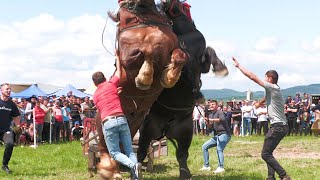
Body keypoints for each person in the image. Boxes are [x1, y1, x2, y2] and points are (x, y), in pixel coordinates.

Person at [232, 57, 291, 180]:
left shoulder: (271, 87)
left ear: (270, 79)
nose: (264, 80)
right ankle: (271, 177)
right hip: (281, 126)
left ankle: (284, 175)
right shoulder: (276, 90)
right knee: (268, 153)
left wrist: (239, 66)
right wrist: (260, 102)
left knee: (265, 154)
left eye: (265, 77)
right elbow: (267, 97)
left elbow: (253, 77)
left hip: (277, 127)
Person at [92, 53, 142, 180]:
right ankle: (135, 176)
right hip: (121, 118)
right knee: (129, 150)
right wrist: (118, 57)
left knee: (114, 153)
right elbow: (119, 71)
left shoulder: (95, 95)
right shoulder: (111, 84)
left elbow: (102, 108)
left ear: (94, 83)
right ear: (104, 78)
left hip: (108, 122)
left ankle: (134, 166)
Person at [199, 100, 231, 174]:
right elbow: (210, 128)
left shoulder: (220, 112)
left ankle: (221, 167)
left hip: (225, 134)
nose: (211, 106)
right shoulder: (210, 115)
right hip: (217, 135)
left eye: (213, 104)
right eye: (210, 105)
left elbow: (221, 119)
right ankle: (206, 166)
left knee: (219, 149)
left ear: (217, 106)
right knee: (204, 146)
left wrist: (210, 119)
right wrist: (207, 123)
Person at [0, 83, 20, 174]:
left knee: (10, 144)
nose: (9, 91)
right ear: (1, 90)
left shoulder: (11, 104)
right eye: (7, 89)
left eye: (10, 89)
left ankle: (4, 165)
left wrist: (18, 126)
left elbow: (16, 116)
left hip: (5, 130)